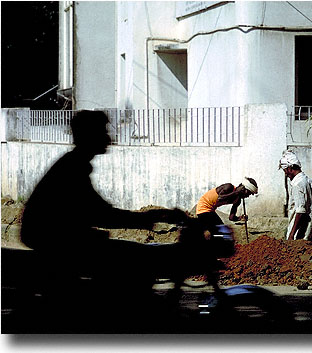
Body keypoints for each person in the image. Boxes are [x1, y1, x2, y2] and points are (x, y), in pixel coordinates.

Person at [20, 110, 189, 283]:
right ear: (89, 135)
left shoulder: (74, 164)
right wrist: (149, 217)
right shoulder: (73, 169)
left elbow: (99, 212)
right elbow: (101, 214)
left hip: (57, 238)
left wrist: (149, 217)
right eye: (103, 131)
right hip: (55, 241)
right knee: (134, 260)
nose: (108, 136)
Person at [279, 150, 312, 241]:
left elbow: (300, 211)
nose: (286, 174)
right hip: (308, 232)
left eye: (285, 171)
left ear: (290, 169)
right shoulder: (309, 182)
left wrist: (292, 235)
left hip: (298, 236)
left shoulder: (298, 184)